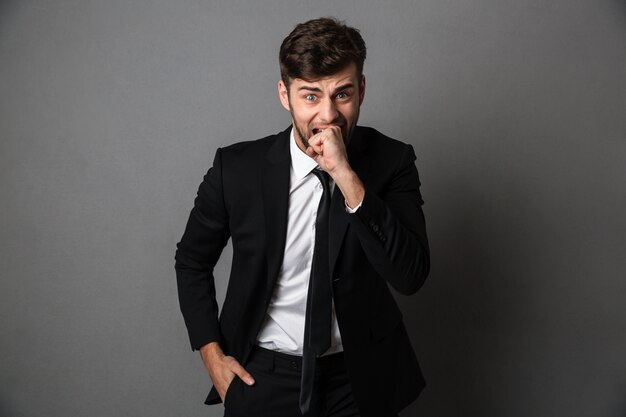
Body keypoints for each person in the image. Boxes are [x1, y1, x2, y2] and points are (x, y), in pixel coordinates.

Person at [175, 17, 430, 417]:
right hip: (263, 376)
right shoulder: (236, 169)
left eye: (342, 94)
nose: (328, 115)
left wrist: (346, 176)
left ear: (361, 90)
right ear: (285, 94)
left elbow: (410, 275)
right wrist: (211, 355)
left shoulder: (392, 161)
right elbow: (191, 260)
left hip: (358, 379)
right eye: (311, 97)